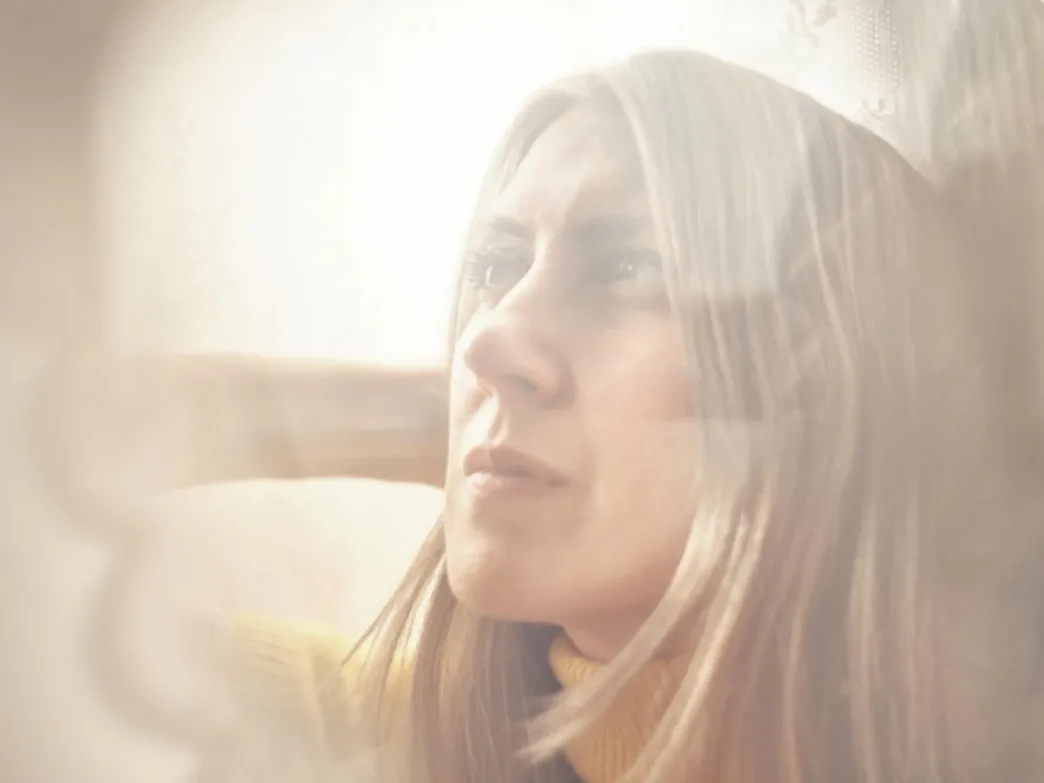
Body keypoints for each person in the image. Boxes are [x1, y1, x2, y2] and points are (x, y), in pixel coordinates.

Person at [179, 49, 1021, 782]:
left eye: (626, 263)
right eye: (496, 264)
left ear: (826, 371)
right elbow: (58, 468)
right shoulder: (370, 745)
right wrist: (426, 419)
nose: (486, 338)